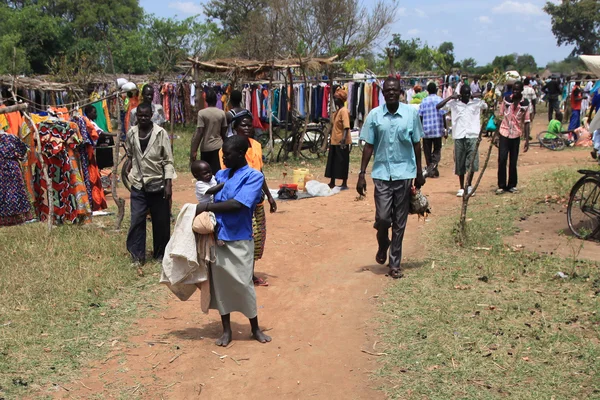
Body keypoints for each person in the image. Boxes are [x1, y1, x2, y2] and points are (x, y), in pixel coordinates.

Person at [195, 135, 272, 347]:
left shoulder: (254, 176)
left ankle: (254, 328)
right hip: (219, 237)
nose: (224, 158)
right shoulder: (221, 174)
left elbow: (238, 204)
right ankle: (226, 330)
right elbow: (208, 193)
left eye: (227, 154)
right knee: (221, 286)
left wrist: (207, 207)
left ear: (240, 154)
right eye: (223, 155)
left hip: (240, 237)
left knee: (244, 284)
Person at [357, 76, 425, 279]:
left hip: (404, 174)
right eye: (387, 91)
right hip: (381, 175)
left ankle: (394, 264)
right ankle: (382, 242)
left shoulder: (410, 114)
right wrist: (361, 173)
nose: (391, 93)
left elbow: (417, 144)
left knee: (399, 221)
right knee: (383, 218)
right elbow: (368, 145)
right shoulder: (375, 115)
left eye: (394, 90)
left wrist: (419, 172)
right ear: (383, 93)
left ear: (400, 92)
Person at [220, 112, 277, 286]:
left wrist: (269, 196)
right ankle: (237, 275)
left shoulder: (257, 146)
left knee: (256, 239)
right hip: (239, 203)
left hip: (256, 201)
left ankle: (249, 274)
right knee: (240, 239)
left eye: (249, 125)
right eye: (243, 125)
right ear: (235, 128)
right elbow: (226, 176)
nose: (246, 128)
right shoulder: (228, 149)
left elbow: (260, 173)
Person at [126, 103, 174, 267]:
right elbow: (130, 154)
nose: (143, 118)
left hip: (158, 183)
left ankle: (161, 254)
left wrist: (168, 184)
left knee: (161, 221)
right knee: (137, 219)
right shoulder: (131, 133)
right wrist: (128, 168)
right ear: (136, 116)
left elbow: (168, 161)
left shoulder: (161, 133)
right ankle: (137, 256)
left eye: (146, 115)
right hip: (139, 184)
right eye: (140, 115)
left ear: (152, 115)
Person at [437, 84, 487, 197]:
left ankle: (468, 185)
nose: (466, 96)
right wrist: (450, 97)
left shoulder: (476, 102)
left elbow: (489, 104)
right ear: (460, 94)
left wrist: (481, 94)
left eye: (468, 94)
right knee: (460, 162)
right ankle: (461, 187)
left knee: (472, 162)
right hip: (459, 136)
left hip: (472, 135)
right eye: (464, 94)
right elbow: (438, 106)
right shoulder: (454, 104)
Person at [496, 81, 530, 195]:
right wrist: (496, 135)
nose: (515, 92)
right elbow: (500, 117)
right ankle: (501, 185)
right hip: (504, 132)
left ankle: (512, 185)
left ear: (521, 90)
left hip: (516, 134)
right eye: (513, 90)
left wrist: (527, 141)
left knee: (513, 161)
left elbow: (526, 122)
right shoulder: (506, 100)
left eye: (517, 90)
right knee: (502, 159)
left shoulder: (525, 104)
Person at [191, 89, 228, 174]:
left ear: (206, 100)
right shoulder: (221, 113)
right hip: (219, 146)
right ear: (216, 100)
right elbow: (224, 132)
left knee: (206, 173)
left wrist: (194, 150)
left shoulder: (202, 113)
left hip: (206, 147)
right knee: (218, 172)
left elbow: (199, 132)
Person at [325, 88, 352, 189]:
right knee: (333, 162)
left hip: (341, 141)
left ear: (340, 99)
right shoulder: (337, 111)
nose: (334, 100)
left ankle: (344, 183)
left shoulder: (344, 111)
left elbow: (346, 126)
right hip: (334, 140)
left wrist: (343, 140)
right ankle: (332, 181)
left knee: (342, 162)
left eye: (336, 98)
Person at [418, 82, 446, 177]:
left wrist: (419, 128)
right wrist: (445, 128)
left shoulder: (424, 101)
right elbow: (443, 115)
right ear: (436, 90)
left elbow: (420, 116)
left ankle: (431, 168)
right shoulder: (440, 100)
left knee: (427, 151)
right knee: (437, 149)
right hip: (437, 129)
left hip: (426, 130)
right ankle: (433, 166)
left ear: (428, 91)